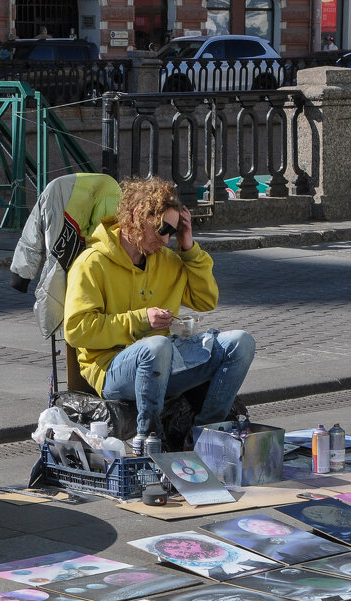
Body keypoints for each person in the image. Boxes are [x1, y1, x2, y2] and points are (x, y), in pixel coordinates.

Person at [63, 177, 255, 444]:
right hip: (112, 369)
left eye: (172, 232)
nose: (165, 239)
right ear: (136, 216)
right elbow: (76, 330)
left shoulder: (168, 261)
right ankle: (149, 437)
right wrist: (141, 320)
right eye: (161, 229)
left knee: (240, 343)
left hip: (164, 358)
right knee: (156, 347)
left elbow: (206, 300)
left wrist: (188, 247)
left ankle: (205, 434)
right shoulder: (92, 263)